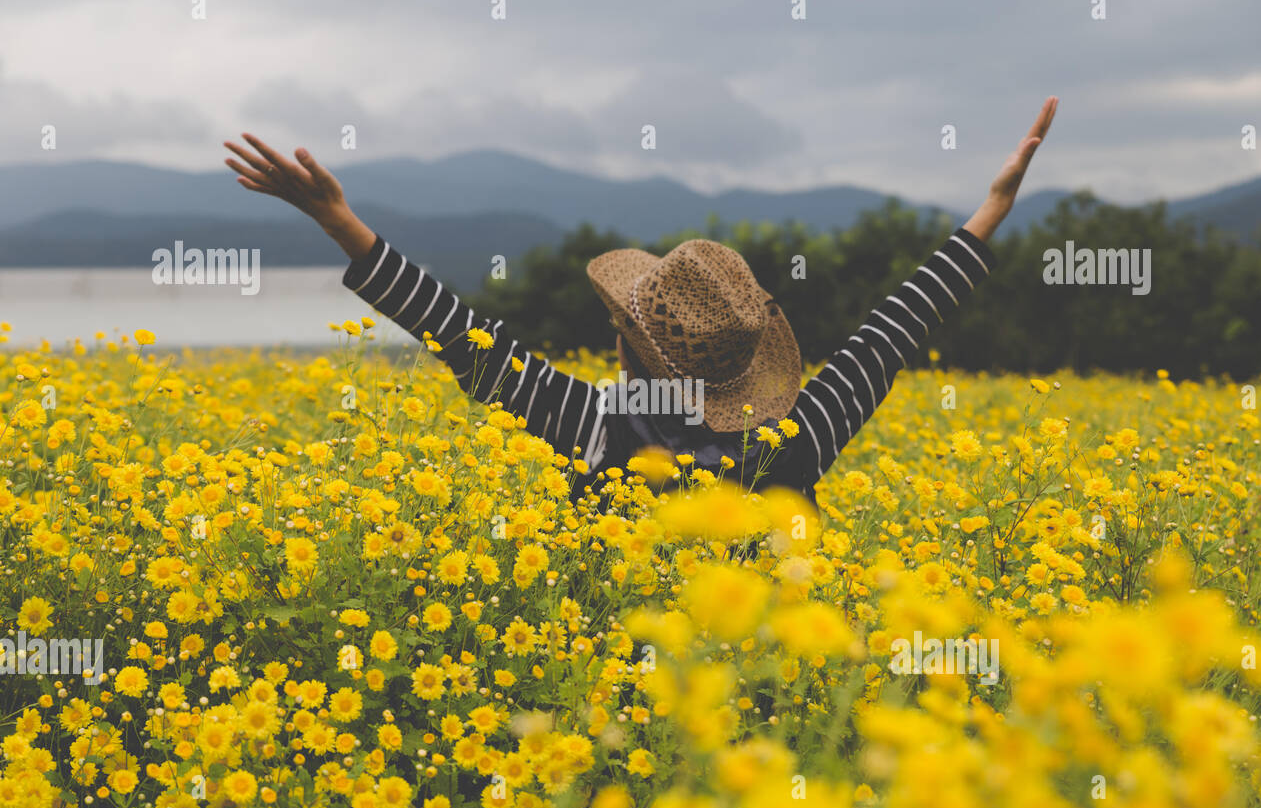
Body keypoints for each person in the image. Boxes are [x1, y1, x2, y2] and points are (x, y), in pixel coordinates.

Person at [224, 97, 1057, 507]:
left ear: (626, 344)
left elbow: (462, 334)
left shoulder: (596, 429)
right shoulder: (798, 437)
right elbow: (894, 332)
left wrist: (338, 220)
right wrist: (988, 214)